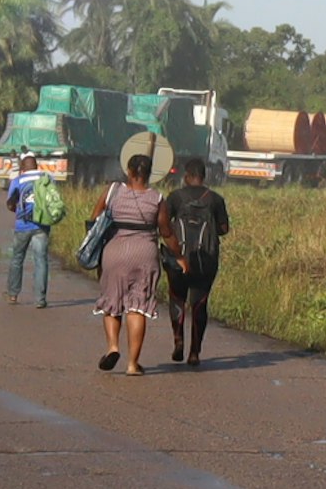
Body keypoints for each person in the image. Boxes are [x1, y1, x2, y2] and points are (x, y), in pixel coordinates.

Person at [93, 150, 167, 374]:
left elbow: (96, 217)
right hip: (145, 253)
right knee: (137, 308)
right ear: (149, 174)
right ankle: (133, 364)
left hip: (115, 251)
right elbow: (166, 231)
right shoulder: (157, 198)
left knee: (112, 303)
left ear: (129, 171)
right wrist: (180, 256)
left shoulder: (113, 191)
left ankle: (113, 347)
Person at [159, 154, 231, 366]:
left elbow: (164, 226)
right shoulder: (215, 199)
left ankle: (178, 340)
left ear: (186, 176)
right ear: (204, 175)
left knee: (177, 298)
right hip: (205, 260)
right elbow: (224, 229)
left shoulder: (175, 197)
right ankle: (195, 352)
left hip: (179, 258)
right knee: (199, 304)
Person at [3, 160, 64, 306]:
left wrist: (19, 211)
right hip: (42, 225)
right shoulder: (47, 178)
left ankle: (13, 295)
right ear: (36, 166)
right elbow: (52, 199)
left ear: (23, 169)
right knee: (41, 261)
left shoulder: (18, 181)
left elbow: (10, 203)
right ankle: (40, 299)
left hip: (22, 225)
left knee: (17, 259)